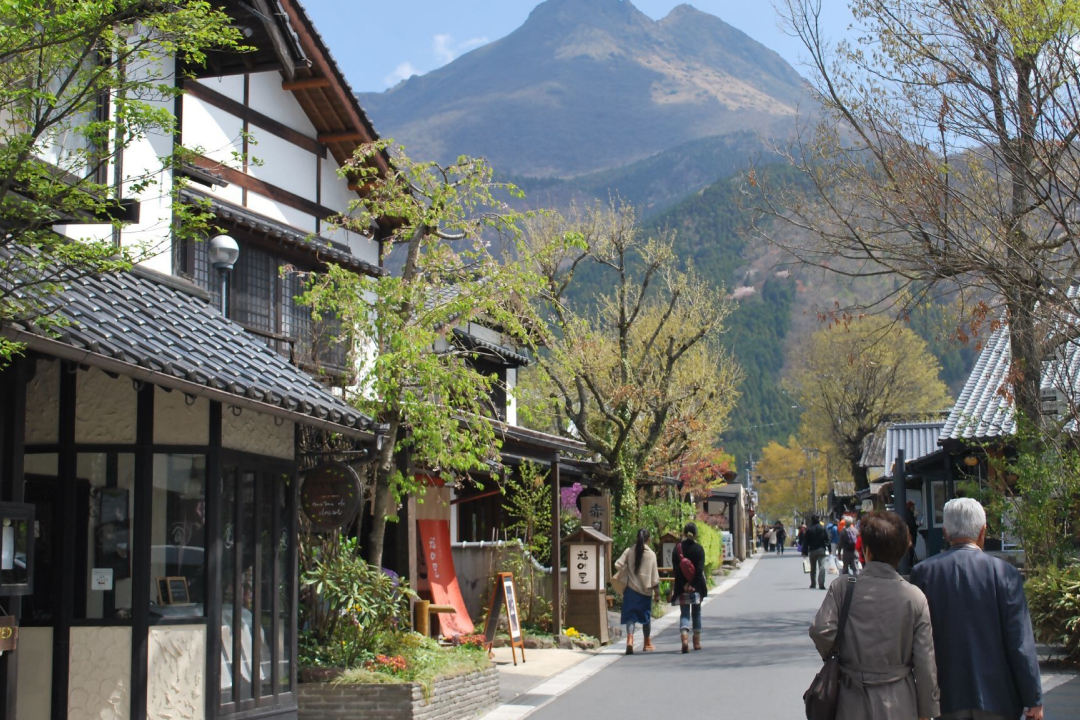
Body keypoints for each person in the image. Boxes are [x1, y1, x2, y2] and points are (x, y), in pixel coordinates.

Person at [909, 498, 1043, 720]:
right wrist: (1033, 698)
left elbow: (916, 639)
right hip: (998, 698)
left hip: (944, 696)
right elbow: (1020, 642)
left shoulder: (923, 574)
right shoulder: (1005, 574)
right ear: (983, 532)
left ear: (945, 532)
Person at [810, 511, 940, 720]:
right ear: (902, 551)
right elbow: (925, 663)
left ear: (866, 550)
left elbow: (821, 630)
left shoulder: (844, 588)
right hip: (899, 700)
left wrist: (838, 655)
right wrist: (927, 710)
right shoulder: (914, 597)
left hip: (851, 697)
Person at [615, 528, 660, 655]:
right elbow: (655, 577)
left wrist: (626, 569)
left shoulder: (629, 551)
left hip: (630, 590)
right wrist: (657, 594)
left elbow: (617, 564)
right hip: (645, 592)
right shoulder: (651, 555)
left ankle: (630, 640)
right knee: (646, 618)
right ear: (649, 540)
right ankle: (647, 643)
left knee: (631, 617)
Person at [670, 522, 708, 653]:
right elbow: (699, 570)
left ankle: (684, 639)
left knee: (684, 613)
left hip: (682, 587)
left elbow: (676, 570)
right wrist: (693, 585)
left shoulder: (677, 549)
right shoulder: (699, 549)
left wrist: (684, 584)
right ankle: (696, 642)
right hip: (696, 588)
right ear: (695, 534)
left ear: (684, 534)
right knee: (696, 613)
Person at [804, 515, 831, 589]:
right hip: (821, 549)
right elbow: (827, 539)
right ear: (818, 519)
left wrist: (805, 552)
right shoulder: (822, 527)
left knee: (813, 568)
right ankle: (821, 583)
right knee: (822, 566)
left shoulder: (809, 529)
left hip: (812, 550)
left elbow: (805, 541)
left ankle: (813, 583)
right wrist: (829, 549)